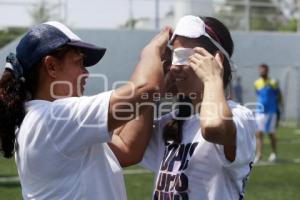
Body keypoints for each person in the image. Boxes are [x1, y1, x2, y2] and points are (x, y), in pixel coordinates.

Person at [0, 21, 172, 199]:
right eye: (79, 63)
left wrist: (151, 88)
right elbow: (147, 88)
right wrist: (152, 50)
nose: (86, 73)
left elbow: (127, 148)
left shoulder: (46, 121)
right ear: (51, 66)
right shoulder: (52, 119)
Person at [140, 15, 256, 200]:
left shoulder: (240, 116)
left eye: (187, 56)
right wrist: (154, 91)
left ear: (217, 61)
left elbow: (213, 128)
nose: (175, 67)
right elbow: (126, 146)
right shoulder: (170, 122)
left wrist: (211, 79)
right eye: (174, 57)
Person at [254, 64, 282, 163]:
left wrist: (278, 109)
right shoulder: (257, 83)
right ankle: (259, 155)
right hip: (260, 112)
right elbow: (258, 95)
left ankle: (274, 153)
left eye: (264, 70)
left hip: (271, 112)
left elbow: (279, 96)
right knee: (259, 133)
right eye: (260, 70)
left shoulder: (273, 82)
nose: (262, 72)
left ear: (267, 71)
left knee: (271, 134)